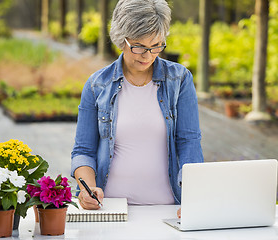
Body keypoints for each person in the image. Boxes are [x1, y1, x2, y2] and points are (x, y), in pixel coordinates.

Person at [71, 0, 204, 217]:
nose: (148, 55)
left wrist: (196, 196)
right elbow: (83, 151)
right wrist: (89, 189)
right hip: (111, 211)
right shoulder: (97, 85)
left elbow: (189, 142)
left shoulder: (179, 80)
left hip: (168, 210)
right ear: (120, 39)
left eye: (156, 46)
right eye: (139, 46)